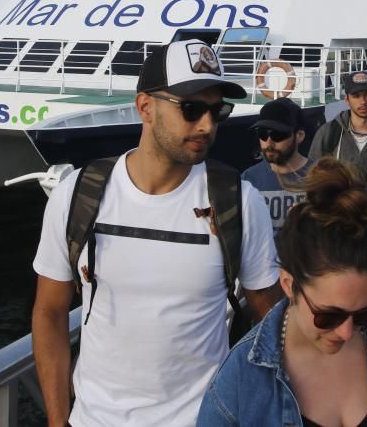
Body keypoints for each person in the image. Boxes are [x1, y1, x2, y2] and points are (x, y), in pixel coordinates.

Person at [32, 40, 280, 426]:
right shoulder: (78, 195)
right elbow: (49, 311)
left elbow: (271, 317)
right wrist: (55, 419)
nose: (207, 125)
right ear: (145, 107)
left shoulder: (239, 202)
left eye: (218, 111)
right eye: (192, 109)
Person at [198, 158, 367, 426]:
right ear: (289, 285)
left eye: (364, 315)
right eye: (328, 316)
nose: (346, 332)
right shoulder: (242, 376)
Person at [309, 70, 367, 218]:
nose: (363, 102)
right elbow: (314, 180)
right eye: (356, 95)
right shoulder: (329, 133)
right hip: (339, 222)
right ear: (346, 99)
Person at [242, 98, 313, 233]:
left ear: (299, 136)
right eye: (262, 134)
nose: (269, 142)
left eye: (278, 134)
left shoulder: (322, 178)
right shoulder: (247, 179)